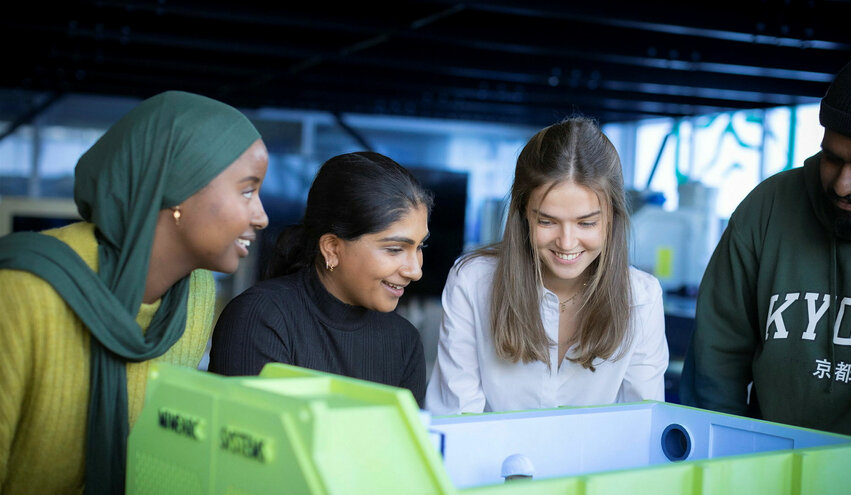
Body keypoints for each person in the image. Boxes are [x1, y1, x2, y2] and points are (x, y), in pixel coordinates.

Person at [0, 91, 269, 494]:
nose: (262, 216)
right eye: (247, 191)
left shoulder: (193, 294)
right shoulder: (21, 291)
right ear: (177, 187)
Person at [680, 50, 851, 440]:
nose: (843, 184)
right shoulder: (768, 208)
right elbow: (714, 366)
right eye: (832, 158)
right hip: (768, 469)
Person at [425, 116, 668, 414]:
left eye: (586, 223)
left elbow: (643, 423)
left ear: (612, 218)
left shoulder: (641, 297)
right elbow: (455, 419)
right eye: (547, 221)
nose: (567, 243)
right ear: (524, 214)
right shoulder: (472, 281)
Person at [209, 152, 432, 407]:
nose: (415, 271)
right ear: (332, 248)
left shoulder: (404, 341)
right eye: (394, 249)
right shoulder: (259, 318)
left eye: (420, 247)